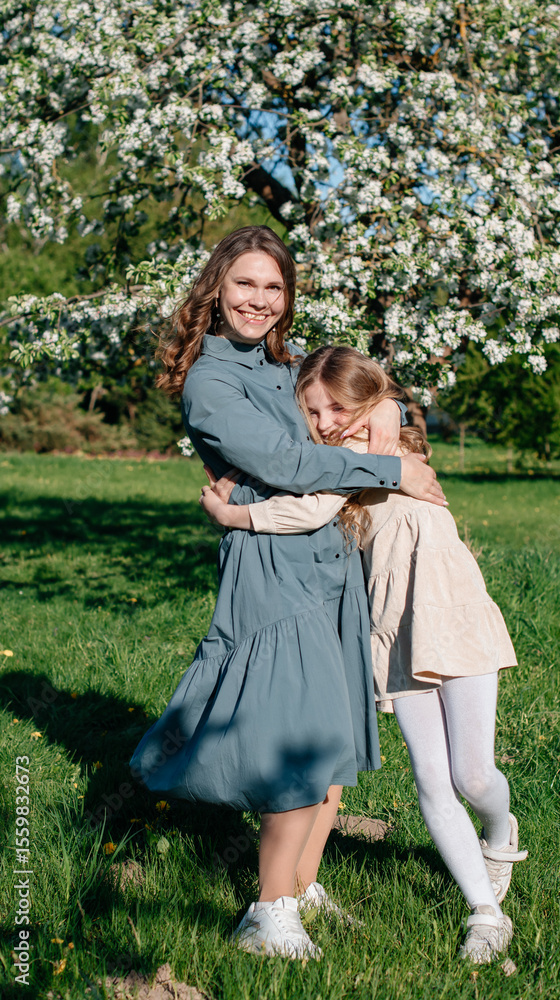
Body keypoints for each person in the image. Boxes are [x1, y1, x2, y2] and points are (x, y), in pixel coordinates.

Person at [130, 228, 445, 961]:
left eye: (273, 287)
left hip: (332, 560)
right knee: (297, 738)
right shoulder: (212, 381)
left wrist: (387, 424)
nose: (259, 300)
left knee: (335, 740)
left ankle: (301, 885)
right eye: (245, 284)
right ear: (216, 289)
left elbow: (367, 397)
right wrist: (394, 471)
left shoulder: (286, 365)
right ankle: (267, 912)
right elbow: (282, 460)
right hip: (272, 566)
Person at [200, 345, 528, 965]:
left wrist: (233, 515)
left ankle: (498, 830)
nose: (327, 423)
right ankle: (486, 914)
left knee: (475, 776)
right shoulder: (344, 463)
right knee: (432, 779)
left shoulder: (383, 446)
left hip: (453, 611)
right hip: (394, 626)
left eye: (338, 408)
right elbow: (312, 502)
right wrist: (239, 508)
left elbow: (340, 470)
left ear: (367, 401)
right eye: (313, 411)